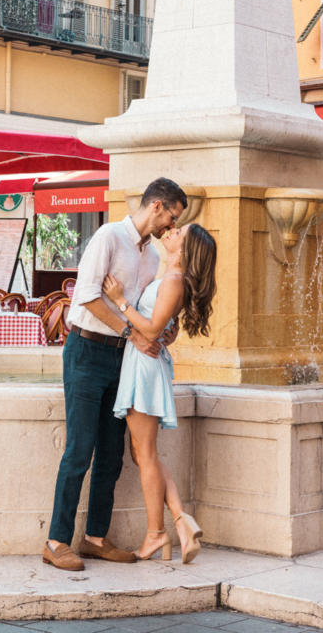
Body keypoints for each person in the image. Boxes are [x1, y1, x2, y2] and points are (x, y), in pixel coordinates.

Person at [43, 177, 187, 571]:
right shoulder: (108, 236)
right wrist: (132, 333)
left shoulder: (154, 259)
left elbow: (142, 312)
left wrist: (162, 330)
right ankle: (56, 541)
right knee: (80, 449)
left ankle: (94, 538)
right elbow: (87, 294)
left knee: (110, 453)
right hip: (87, 350)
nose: (170, 228)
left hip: (122, 358)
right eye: (171, 217)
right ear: (157, 205)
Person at [103, 223, 216, 563]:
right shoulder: (171, 279)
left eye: (179, 231)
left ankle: (158, 533)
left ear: (185, 248)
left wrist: (120, 301)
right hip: (146, 363)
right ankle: (179, 522)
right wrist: (170, 330)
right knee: (142, 453)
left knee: (145, 453)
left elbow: (150, 328)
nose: (171, 229)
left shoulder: (173, 280)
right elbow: (162, 324)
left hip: (145, 365)